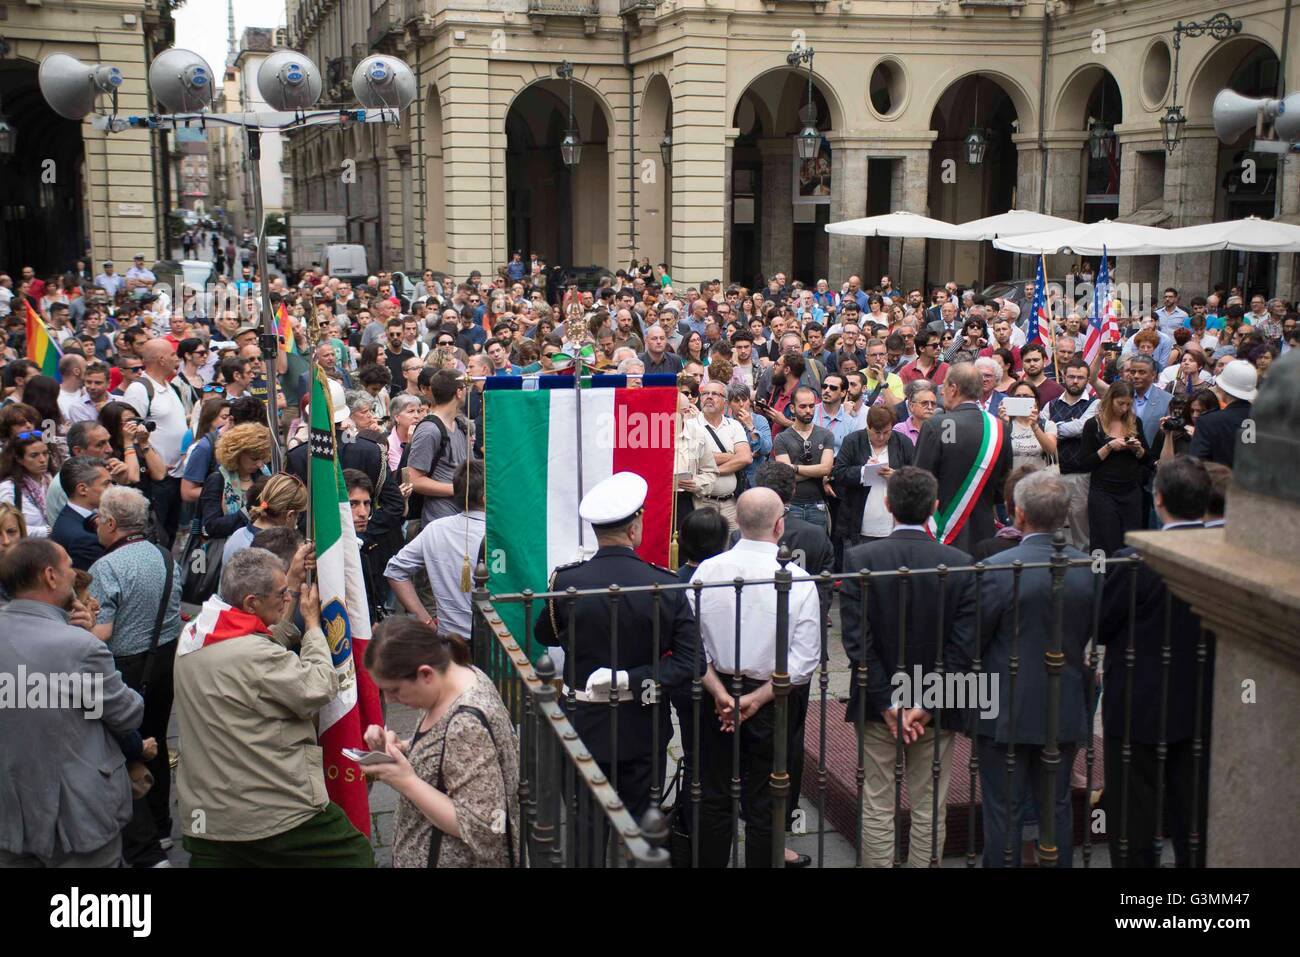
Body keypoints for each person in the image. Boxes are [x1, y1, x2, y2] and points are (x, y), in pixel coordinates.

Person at [176, 548, 374, 867]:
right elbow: (319, 685)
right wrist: (312, 627)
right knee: (354, 856)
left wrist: (293, 582)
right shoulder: (254, 655)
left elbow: (264, 641)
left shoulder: (198, 632)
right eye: (281, 594)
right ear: (251, 602)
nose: (287, 599)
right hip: (272, 810)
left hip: (209, 812)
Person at [533, 472, 698, 838]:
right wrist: (635, 679)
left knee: (585, 828)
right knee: (642, 829)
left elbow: (544, 633)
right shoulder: (666, 583)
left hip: (583, 722)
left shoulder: (566, 580)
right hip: (643, 721)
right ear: (635, 526)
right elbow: (690, 662)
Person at [839, 466, 975, 867]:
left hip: (880, 703)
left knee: (878, 803)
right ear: (935, 507)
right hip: (935, 706)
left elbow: (856, 643)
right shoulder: (960, 562)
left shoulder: (861, 558)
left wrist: (887, 704)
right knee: (930, 804)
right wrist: (927, 704)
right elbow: (963, 648)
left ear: (886, 504)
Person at [955, 471, 1093, 867]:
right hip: (1062, 701)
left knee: (1004, 814)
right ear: (1064, 515)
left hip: (1004, 707)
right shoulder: (1087, 567)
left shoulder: (999, 567)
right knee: (1057, 809)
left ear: (1018, 515)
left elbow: (972, 640)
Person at [690, 487, 822, 868]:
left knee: (713, 794)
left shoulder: (707, 571)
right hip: (769, 698)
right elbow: (804, 660)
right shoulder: (796, 578)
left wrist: (720, 694)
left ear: (739, 524)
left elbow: (691, 647)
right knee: (765, 801)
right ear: (780, 526)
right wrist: (755, 699)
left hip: (717, 695)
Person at [1099, 455, 1214, 867]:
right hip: (1203, 705)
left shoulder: (1134, 561)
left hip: (1137, 705)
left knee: (1133, 828)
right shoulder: (1227, 559)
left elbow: (1101, 625)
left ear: (1158, 498)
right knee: (1196, 824)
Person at [0, 539, 143, 867]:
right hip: (76, 820)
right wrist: (88, 639)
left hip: (9, 818)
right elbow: (127, 714)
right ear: (50, 576)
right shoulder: (78, 646)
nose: (73, 575)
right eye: (68, 567)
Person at [359, 619, 520, 867]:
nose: (390, 700)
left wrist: (405, 781)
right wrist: (403, 747)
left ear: (425, 674)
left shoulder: (466, 724)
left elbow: (484, 828)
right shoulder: (458, 678)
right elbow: (448, 755)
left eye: (395, 690)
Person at [87, 485, 183, 862]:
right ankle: (162, 828)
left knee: (126, 750)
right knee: (157, 740)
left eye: (99, 515)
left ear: (111, 523)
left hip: (126, 670)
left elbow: (103, 633)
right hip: (165, 660)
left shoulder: (105, 567)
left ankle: (143, 843)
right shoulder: (164, 555)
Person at [914, 362, 1013, 554]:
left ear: (953, 388)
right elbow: (1003, 490)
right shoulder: (999, 428)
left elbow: (919, 482)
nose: (941, 392)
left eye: (944, 385)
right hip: (983, 531)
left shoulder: (938, 424)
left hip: (939, 532)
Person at [386, 459, 487, 639]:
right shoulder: (499, 534)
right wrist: (426, 621)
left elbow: (394, 570)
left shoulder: (436, 528)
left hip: (449, 641)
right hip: (493, 645)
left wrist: (424, 620)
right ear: (484, 496)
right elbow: (394, 570)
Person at [122, 340, 186, 546]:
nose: (177, 359)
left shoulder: (170, 387)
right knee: (156, 535)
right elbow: (130, 430)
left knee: (170, 532)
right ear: (161, 359)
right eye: (174, 354)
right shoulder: (139, 390)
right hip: (156, 479)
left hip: (176, 475)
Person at [1077, 381, 1151, 555]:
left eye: (1129, 404)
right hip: (1103, 492)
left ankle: (1127, 581)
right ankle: (1099, 578)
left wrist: (1138, 449)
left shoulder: (1135, 423)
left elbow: (1148, 460)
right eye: (1120, 404)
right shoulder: (1093, 425)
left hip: (1130, 492)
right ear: (1110, 400)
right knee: (1103, 542)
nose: (1124, 409)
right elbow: (1085, 463)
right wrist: (1109, 447)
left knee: (1131, 543)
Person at [832, 404, 916, 547]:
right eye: (877, 432)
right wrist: (864, 471)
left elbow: (916, 477)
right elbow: (839, 474)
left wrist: (897, 477)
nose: (882, 437)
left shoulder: (903, 443)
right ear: (868, 427)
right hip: (857, 526)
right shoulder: (853, 441)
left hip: (893, 526)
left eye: (886, 432)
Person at [407, 370, 469, 526]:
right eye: (466, 387)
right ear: (459, 392)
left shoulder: (460, 425)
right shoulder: (430, 430)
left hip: (463, 517)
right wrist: (457, 489)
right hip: (440, 521)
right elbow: (414, 480)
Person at [771, 386, 835, 531]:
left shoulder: (826, 435)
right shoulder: (782, 437)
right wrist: (816, 471)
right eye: (803, 406)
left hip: (818, 504)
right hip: (791, 505)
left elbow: (826, 469)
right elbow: (786, 475)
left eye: (812, 406)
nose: (808, 410)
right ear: (792, 408)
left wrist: (795, 468)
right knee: (792, 551)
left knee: (817, 550)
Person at [691, 379, 751, 529]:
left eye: (715, 394)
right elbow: (693, 459)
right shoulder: (690, 425)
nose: (709, 397)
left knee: (731, 548)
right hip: (702, 503)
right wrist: (731, 455)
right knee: (705, 548)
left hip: (731, 504)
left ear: (725, 402)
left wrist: (712, 471)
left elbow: (745, 457)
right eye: (705, 393)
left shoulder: (734, 425)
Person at [200, 422, 271, 540]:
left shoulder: (262, 474)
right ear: (237, 454)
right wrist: (248, 512)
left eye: (262, 458)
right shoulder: (217, 479)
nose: (259, 464)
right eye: (254, 458)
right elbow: (211, 526)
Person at [222, 473, 307, 565]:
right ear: (289, 516)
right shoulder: (273, 555)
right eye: (298, 515)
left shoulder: (237, 534)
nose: (297, 520)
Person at [1188, 359, 1256, 467]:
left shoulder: (1208, 422)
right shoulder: (1268, 421)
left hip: (1220, 483)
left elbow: (1196, 465)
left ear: (1222, 388)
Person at [49, 456, 111, 569]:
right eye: (106, 484)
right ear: (82, 489)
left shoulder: (69, 516)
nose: (112, 489)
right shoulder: (83, 539)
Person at [0, 430, 53, 538]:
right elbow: (8, 527)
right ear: (19, 460)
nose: (42, 460)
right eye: (34, 455)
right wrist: (48, 531)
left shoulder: (52, 480)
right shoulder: (9, 489)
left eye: (45, 453)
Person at [1001, 380, 1058, 471]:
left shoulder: (1047, 424)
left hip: (1040, 481)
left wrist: (1035, 426)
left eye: (1027, 396)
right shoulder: (1004, 424)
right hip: (1013, 480)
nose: (1022, 399)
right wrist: (1004, 424)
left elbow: (1051, 450)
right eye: (1018, 396)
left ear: (1036, 401)